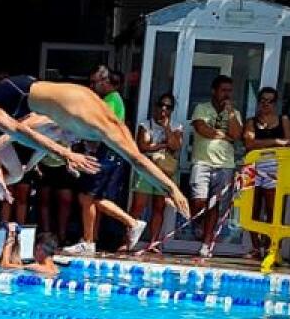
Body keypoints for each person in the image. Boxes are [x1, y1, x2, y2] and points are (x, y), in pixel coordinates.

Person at [0, 72, 191, 218]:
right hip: (21, 93)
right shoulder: (100, 126)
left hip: (29, 93)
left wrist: (169, 188)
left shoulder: (102, 122)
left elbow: (137, 158)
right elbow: (137, 161)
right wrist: (172, 188)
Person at [64, 65, 144, 255]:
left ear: (105, 82)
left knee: (88, 196)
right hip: (107, 152)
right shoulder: (108, 99)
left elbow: (98, 125)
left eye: (94, 82)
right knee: (91, 197)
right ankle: (91, 239)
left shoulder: (111, 100)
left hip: (109, 152)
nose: (91, 87)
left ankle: (128, 224)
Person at [190, 74, 243, 259]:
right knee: (199, 201)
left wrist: (230, 113)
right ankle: (197, 224)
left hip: (225, 165)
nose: (227, 94)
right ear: (214, 91)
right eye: (223, 90)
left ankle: (206, 243)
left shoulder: (234, 113)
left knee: (215, 205)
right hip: (202, 162)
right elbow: (201, 129)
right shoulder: (201, 108)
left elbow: (236, 135)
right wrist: (223, 135)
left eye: (229, 91)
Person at [242, 86, 290, 259]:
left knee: (273, 209)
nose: (266, 104)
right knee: (251, 208)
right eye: (263, 100)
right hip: (252, 166)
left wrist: (261, 142)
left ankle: (271, 247)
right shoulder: (251, 121)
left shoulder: (283, 119)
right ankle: (256, 248)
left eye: (270, 101)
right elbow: (249, 144)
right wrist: (275, 141)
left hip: (275, 168)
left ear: (276, 103)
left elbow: (288, 143)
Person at [130, 93, 182, 254]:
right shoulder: (145, 124)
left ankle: (153, 242)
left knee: (159, 207)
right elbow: (142, 146)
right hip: (146, 169)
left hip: (164, 172)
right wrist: (162, 145)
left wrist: (166, 128)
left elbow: (175, 146)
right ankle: (129, 241)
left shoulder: (176, 126)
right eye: (161, 105)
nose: (164, 109)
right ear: (155, 106)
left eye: (168, 107)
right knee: (138, 206)